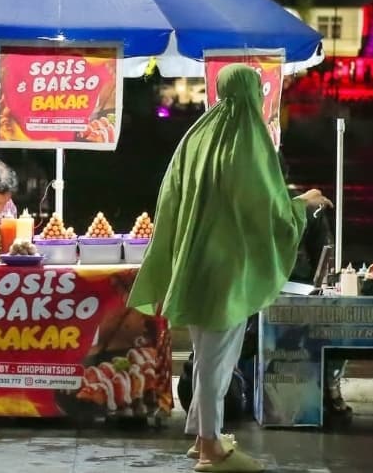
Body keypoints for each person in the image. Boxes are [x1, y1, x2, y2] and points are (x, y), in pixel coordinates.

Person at [127, 64, 332, 472]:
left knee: (205, 354)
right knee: (218, 360)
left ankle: (202, 433)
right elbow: (266, 208)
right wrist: (303, 204)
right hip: (230, 269)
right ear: (253, 93)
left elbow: (171, 198)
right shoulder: (249, 140)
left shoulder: (197, 136)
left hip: (195, 262)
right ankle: (210, 449)